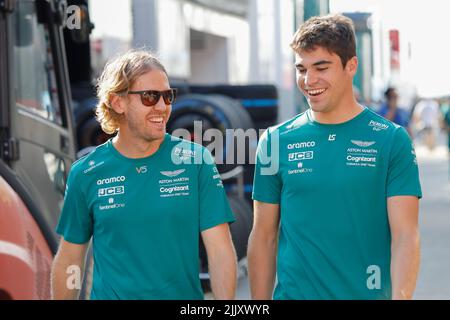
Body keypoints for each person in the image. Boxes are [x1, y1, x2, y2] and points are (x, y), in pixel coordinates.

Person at [248, 14, 422, 300]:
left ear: (351, 65)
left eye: (321, 67)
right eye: (301, 68)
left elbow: (406, 236)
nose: (309, 79)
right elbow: (263, 236)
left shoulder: (391, 140)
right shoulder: (275, 141)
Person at [51, 50, 237, 300]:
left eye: (167, 96)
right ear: (118, 102)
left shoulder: (195, 161)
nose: (162, 107)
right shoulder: (86, 173)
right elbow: (70, 258)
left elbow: (220, 252)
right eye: (150, 97)